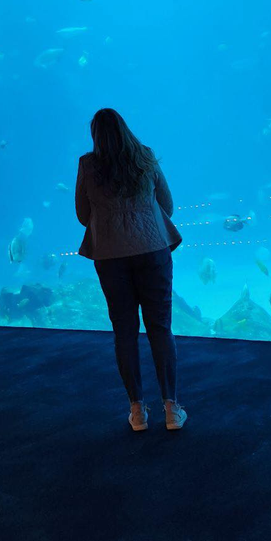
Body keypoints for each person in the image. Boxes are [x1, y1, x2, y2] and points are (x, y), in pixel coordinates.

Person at [75, 108, 187, 432]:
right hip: (153, 250)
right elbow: (167, 205)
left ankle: (137, 411)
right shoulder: (146, 157)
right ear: (126, 129)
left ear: (95, 134)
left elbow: (83, 215)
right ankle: (171, 409)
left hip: (110, 256)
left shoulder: (88, 164)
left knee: (124, 332)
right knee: (160, 328)